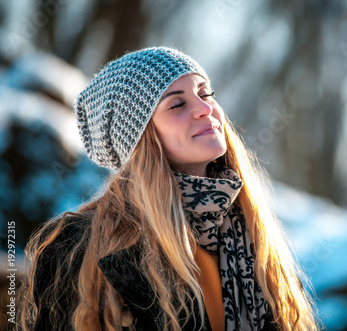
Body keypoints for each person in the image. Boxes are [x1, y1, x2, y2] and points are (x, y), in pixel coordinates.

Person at [19, 47, 318, 331]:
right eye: (177, 104)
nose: (205, 109)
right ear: (139, 139)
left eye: (205, 93)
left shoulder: (253, 233)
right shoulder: (81, 248)